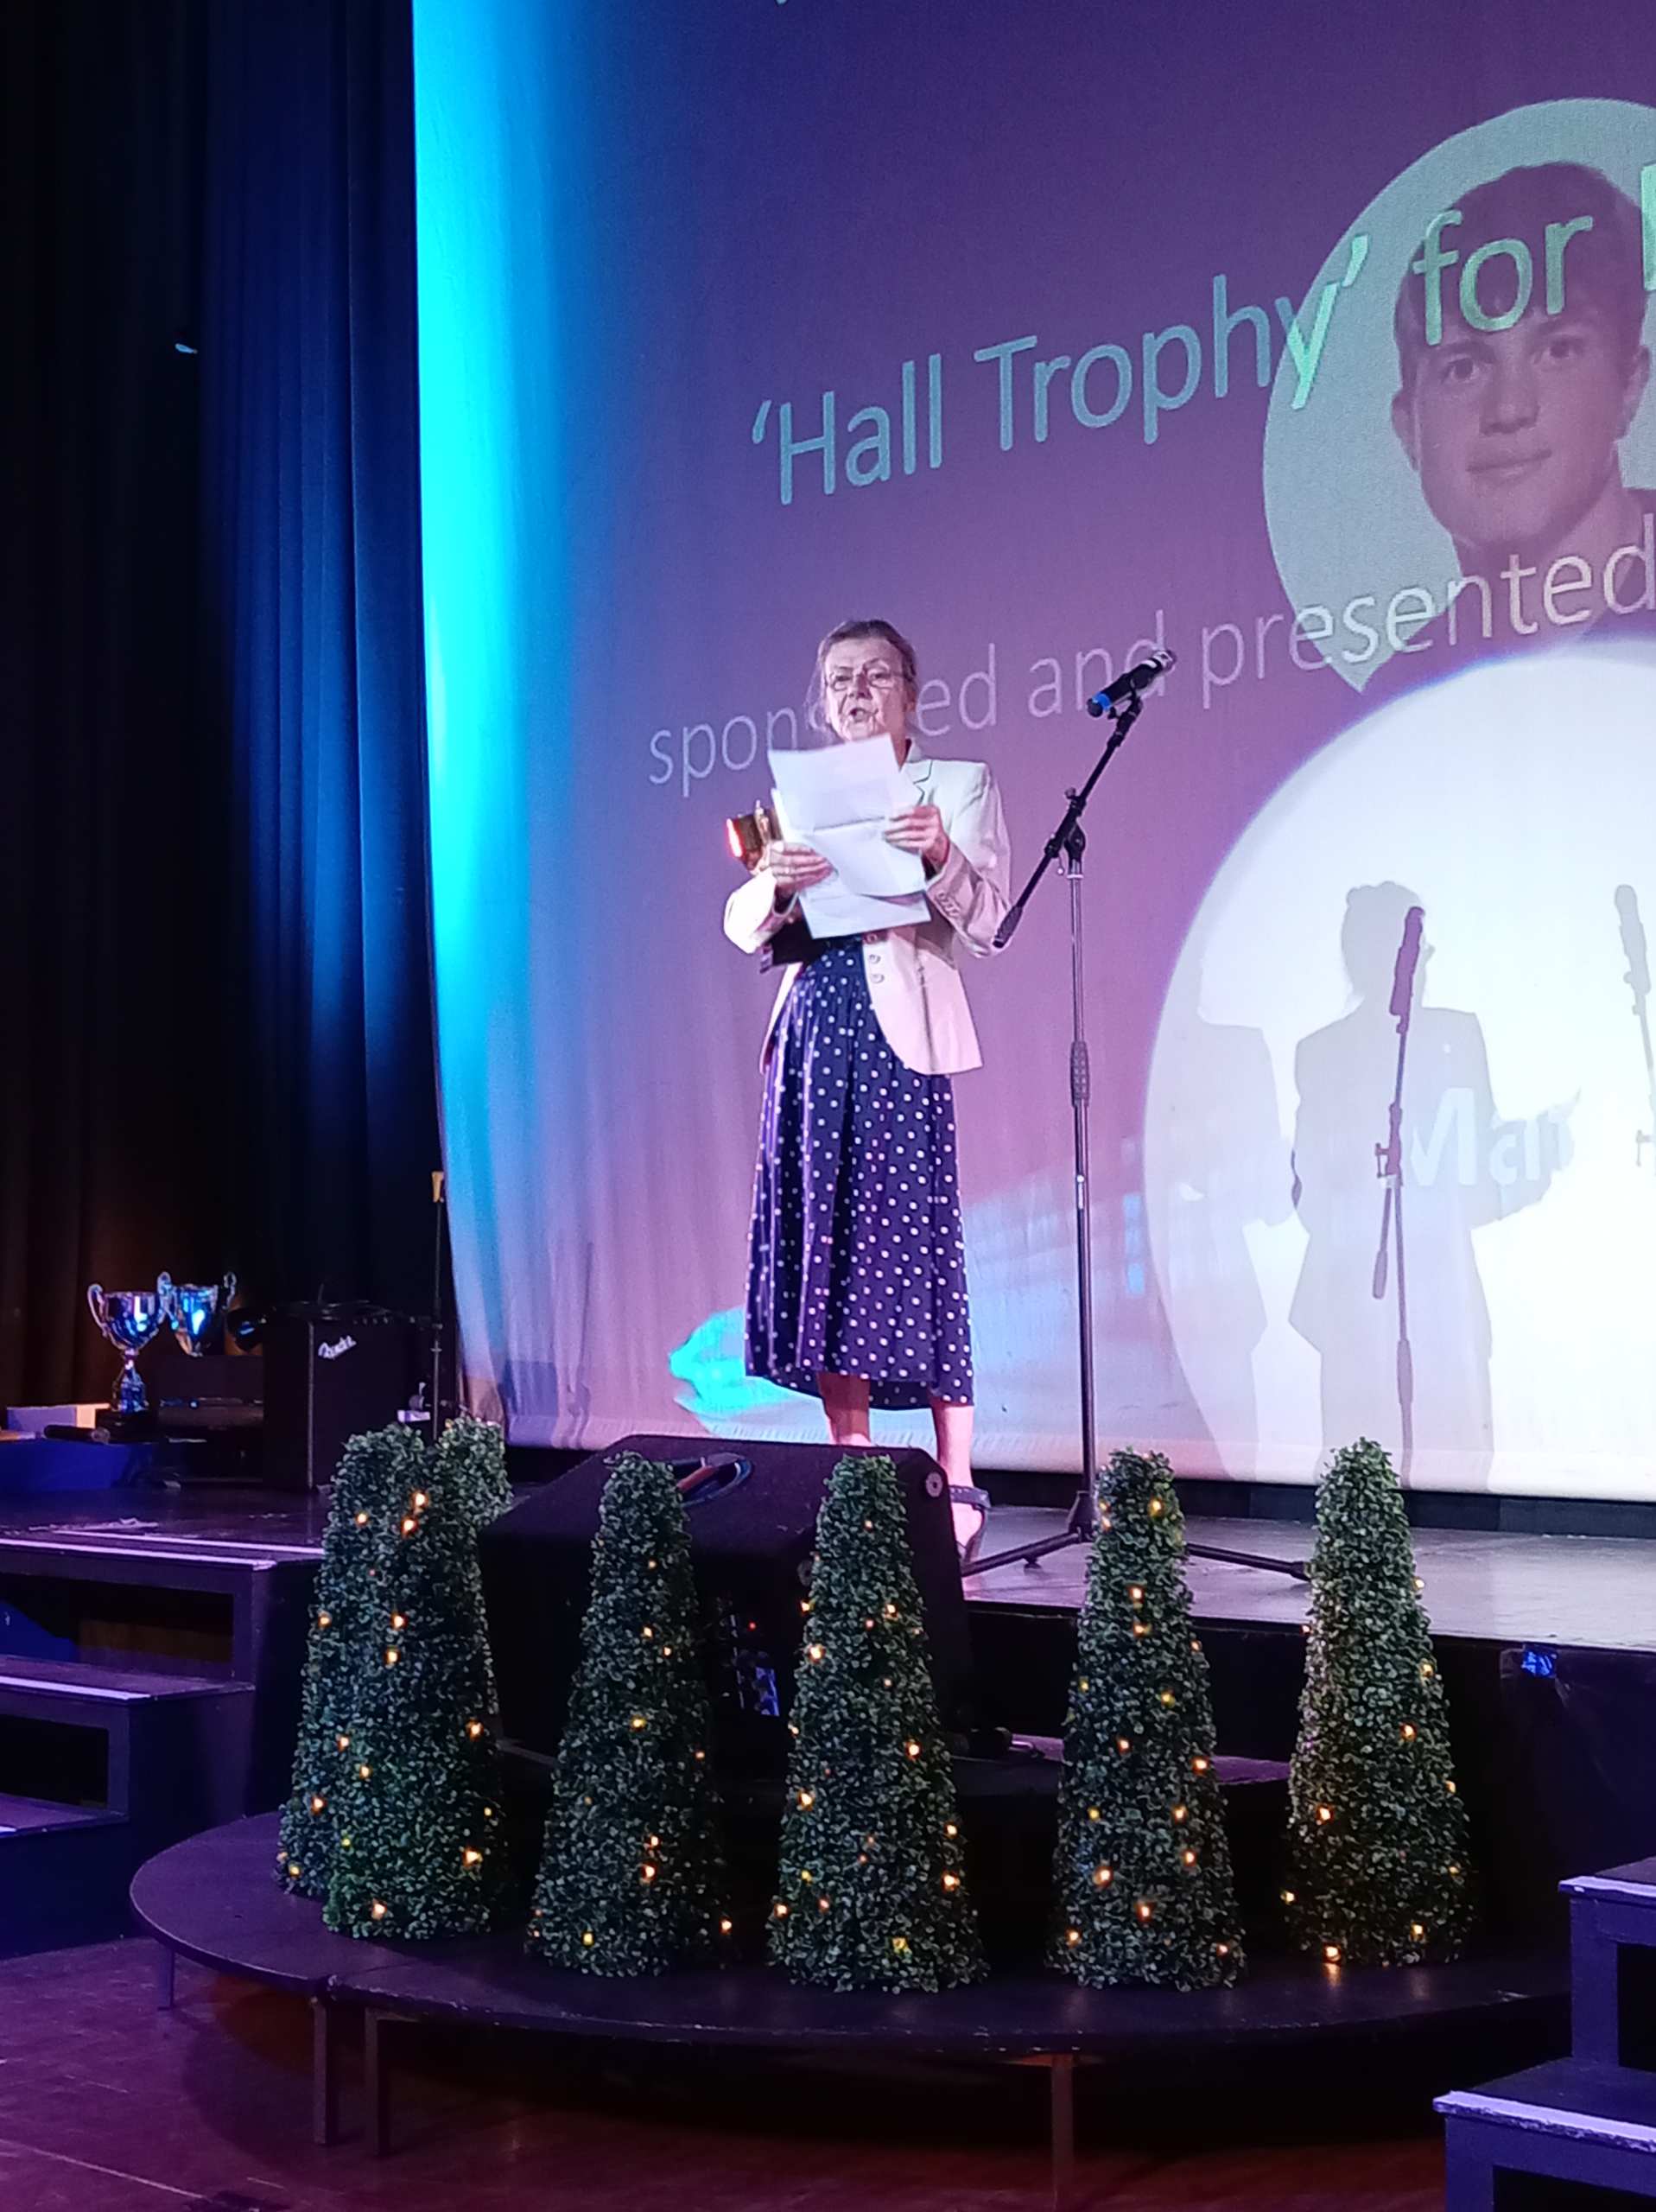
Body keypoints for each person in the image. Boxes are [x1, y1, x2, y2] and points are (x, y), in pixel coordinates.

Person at [724, 619, 1010, 1561]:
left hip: (898, 1040)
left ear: (910, 694)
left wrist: (939, 856)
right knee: (831, 1247)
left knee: (914, 1246)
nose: (855, 691)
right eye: (839, 678)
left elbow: (989, 921)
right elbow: (743, 926)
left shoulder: (955, 786)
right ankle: (851, 1470)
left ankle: (955, 1475)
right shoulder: (795, 800)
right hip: (816, 1031)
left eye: (875, 675)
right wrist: (776, 883)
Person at [1368, 160, 1655, 702]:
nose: (1509, 408)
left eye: (1558, 351)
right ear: (1408, 428)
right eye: (1464, 368)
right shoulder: (1392, 708)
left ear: (1629, 386)